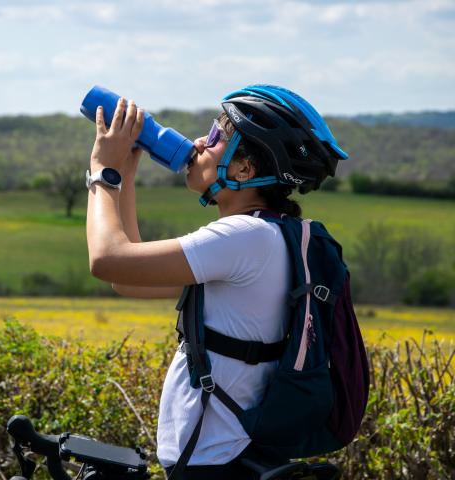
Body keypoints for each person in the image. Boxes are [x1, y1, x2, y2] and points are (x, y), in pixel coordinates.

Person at [85, 85, 347, 480]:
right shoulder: (268, 237)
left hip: (214, 464)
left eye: (215, 137)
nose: (197, 143)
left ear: (245, 170)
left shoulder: (244, 238)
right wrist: (125, 176)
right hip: (225, 459)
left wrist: (102, 173)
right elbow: (129, 280)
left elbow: (107, 260)